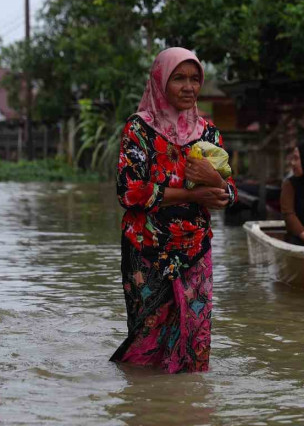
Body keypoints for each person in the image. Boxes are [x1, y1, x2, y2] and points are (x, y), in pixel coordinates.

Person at [112, 47, 237, 373]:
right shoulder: (139, 130)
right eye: (179, 78)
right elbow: (128, 192)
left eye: (195, 79)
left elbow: (229, 193)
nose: (189, 87)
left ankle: (189, 410)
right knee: (147, 340)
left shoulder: (209, 133)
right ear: (160, 81)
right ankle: (146, 407)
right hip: (146, 248)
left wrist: (217, 185)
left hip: (195, 249)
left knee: (195, 342)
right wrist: (194, 195)